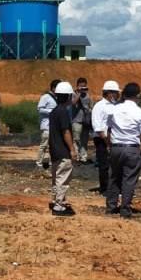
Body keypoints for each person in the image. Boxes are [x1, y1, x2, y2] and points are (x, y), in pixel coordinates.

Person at [105, 83, 141, 217]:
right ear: (137, 96)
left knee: (114, 177)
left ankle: (111, 207)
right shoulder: (140, 112)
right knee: (129, 179)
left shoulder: (114, 110)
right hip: (131, 149)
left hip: (116, 147)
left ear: (124, 94)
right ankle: (125, 209)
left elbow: (109, 130)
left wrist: (110, 146)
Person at [47, 81, 77, 216]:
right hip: (63, 151)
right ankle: (59, 206)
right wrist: (72, 149)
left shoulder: (54, 111)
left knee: (57, 177)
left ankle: (57, 200)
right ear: (69, 97)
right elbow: (66, 132)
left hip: (54, 150)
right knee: (63, 179)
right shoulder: (63, 112)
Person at [91, 80, 121, 196]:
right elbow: (98, 127)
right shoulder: (99, 106)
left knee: (114, 165)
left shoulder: (115, 106)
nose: (117, 95)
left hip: (113, 139)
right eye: (115, 93)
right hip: (102, 139)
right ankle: (104, 189)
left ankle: (114, 187)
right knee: (104, 164)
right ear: (109, 93)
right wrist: (107, 142)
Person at [35, 80, 60, 169]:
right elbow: (40, 109)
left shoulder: (58, 98)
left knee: (53, 146)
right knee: (44, 145)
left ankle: (51, 163)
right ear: (53, 88)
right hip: (46, 126)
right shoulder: (45, 97)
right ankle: (39, 163)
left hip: (55, 126)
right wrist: (51, 111)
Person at [71, 78, 94, 164]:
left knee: (84, 140)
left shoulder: (88, 95)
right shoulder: (73, 94)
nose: (83, 88)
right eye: (81, 86)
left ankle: (83, 157)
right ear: (77, 86)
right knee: (76, 139)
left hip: (86, 121)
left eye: (84, 86)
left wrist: (89, 110)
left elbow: (91, 106)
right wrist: (79, 94)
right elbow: (73, 103)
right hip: (76, 120)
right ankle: (76, 157)